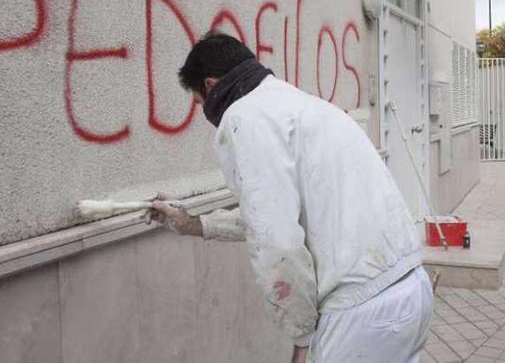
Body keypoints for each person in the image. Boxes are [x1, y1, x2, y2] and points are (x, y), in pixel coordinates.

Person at [147, 32, 432, 363]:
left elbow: (277, 241)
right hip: (411, 290)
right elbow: (271, 215)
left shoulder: (245, 118)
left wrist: (302, 336)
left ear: (211, 87)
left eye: (198, 102)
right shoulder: (300, 105)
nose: (203, 112)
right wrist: (193, 223)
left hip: (363, 313)